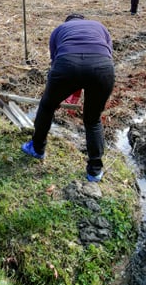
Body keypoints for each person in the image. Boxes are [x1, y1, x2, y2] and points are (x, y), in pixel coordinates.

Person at [21, 14, 115, 182]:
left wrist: (58, 94)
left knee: (47, 106)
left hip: (67, 65)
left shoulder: (59, 29)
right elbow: (107, 54)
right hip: (102, 69)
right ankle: (95, 170)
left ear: (68, 22)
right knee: (93, 120)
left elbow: (55, 62)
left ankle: (37, 148)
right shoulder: (99, 26)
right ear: (83, 20)